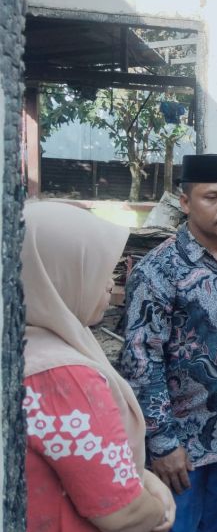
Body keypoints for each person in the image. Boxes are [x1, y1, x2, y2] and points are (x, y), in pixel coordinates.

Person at [119, 153, 217, 532]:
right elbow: (141, 363)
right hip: (183, 450)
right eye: (212, 197)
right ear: (186, 202)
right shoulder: (158, 271)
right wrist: (161, 444)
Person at [22, 201, 175, 532]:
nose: (110, 284)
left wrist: (143, 478)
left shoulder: (25, 349)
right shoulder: (63, 377)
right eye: (98, 270)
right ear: (58, 273)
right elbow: (123, 514)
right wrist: (158, 508)